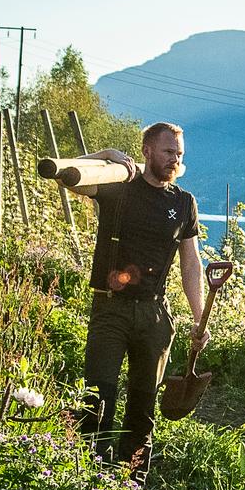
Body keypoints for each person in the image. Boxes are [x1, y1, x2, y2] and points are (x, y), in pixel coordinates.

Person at [81, 118, 206, 462]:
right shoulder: (117, 185)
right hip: (111, 309)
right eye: (168, 151)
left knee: (143, 405)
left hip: (155, 315)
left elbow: (191, 264)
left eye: (178, 154)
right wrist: (105, 155)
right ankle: (89, 478)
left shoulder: (183, 202)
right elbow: (72, 177)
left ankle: (130, 486)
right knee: (96, 398)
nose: (174, 159)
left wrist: (199, 319)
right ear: (147, 151)